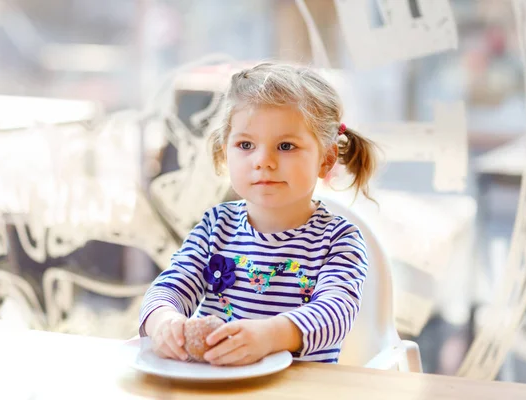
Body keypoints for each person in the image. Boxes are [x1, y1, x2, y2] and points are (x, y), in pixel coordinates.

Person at [139, 62, 377, 365]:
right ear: (225, 152)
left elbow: (335, 313)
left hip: (302, 389)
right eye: (246, 144)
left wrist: (269, 336)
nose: (263, 161)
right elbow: (170, 287)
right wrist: (163, 322)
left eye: (286, 146)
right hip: (219, 385)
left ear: (326, 160)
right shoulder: (216, 226)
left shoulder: (338, 240)